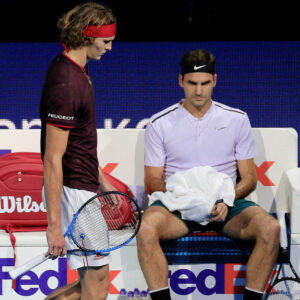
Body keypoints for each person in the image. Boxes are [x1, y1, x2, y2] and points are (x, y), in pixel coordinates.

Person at [137, 49, 280, 300]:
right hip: (178, 207)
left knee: (270, 228)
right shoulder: (159, 122)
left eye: (205, 83)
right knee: (146, 228)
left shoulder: (237, 119)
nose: (199, 91)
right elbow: (152, 181)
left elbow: (249, 178)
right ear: (181, 81)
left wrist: (225, 200)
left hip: (225, 205)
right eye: (192, 83)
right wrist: (185, 202)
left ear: (215, 80)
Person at [39, 2, 117, 299]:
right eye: (106, 41)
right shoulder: (67, 83)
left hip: (82, 187)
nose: (109, 48)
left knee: (91, 284)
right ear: (86, 36)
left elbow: (78, 143)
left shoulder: (75, 68)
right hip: (74, 195)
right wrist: (54, 227)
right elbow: (52, 158)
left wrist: (102, 181)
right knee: (97, 284)